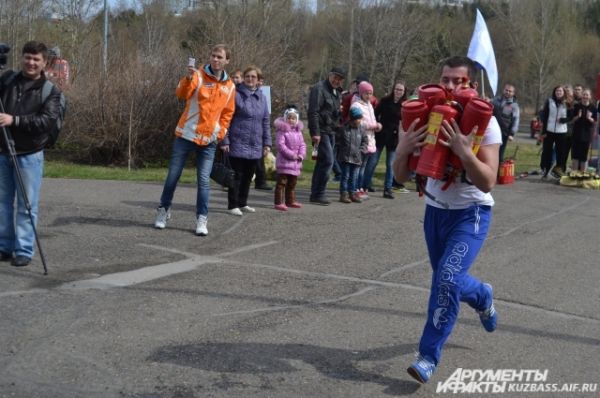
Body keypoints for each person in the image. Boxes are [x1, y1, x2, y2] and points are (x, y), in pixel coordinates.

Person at [392, 55, 501, 384]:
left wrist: (465, 151)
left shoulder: (486, 123)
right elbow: (400, 178)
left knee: (447, 279)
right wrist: (402, 149)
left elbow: (488, 181)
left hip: (472, 213)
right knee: (447, 279)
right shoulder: (422, 117)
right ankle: (482, 295)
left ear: (471, 84)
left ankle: (427, 356)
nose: (450, 86)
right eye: (446, 79)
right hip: (436, 212)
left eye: (458, 80)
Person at [154, 44, 235, 236]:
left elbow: (228, 112)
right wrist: (188, 78)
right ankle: (163, 211)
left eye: (219, 57)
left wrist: (221, 132)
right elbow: (181, 94)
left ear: (226, 61)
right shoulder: (198, 75)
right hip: (187, 134)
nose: (215, 59)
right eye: (213, 55)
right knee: (173, 176)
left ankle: (201, 218)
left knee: (204, 181)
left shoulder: (230, 86)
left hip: (209, 140)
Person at [0, 41, 62, 267]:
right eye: (27, 57)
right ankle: (4, 247)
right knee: (2, 203)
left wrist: (13, 120)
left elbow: (46, 122)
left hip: (29, 154)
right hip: (3, 150)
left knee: (27, 205)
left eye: (36, 59)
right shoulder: (7, 80)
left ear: (44, 62)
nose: (31, 62)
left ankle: (24, 249)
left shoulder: (50, 91)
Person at [221, 65, 271, 216]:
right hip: (237, 141)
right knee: (236, 176)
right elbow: (225, 118)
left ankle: (243, 203)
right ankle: (232, 205)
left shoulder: (262, 98)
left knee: (248, 176)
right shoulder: (235, 94)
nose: (250, 79)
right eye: (247, 76)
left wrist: (267, 143)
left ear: (258, 80)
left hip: (255, 144)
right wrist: (225, 140)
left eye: (253, 77)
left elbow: (266, 121)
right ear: (243, 78)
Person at [308, 66, 345, 205]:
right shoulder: (319, 89)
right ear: (329, 75)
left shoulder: (336, 92)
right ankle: (320, 193)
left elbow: (333, 112)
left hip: (331, 131)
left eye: (340, 79)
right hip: (321, 131)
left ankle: (315, 194)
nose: (337, 80)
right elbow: (313, 112)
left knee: (322, 162)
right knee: (328, 161)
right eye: (335, 77)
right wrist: (315, 133)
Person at [374, 81, 408, 199]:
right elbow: (375, 113)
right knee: (373, 161)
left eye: (401, 90)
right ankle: (364, 185)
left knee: (390, 164)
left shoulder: (405, 105)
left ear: (404, 92)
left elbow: (405, 122)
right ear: (393, 89)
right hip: (381, 134)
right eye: (397, 89)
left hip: (394, 138)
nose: (398, 92)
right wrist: (377, 124)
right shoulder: (384, 101)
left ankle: (387, 189)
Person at [350, 81, 382, 197]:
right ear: (361, 93)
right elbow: (358, 123)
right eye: (366, 93)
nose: (369, 96)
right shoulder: (356, 105)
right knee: (357, 166)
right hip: (360, 139)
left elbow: (372, 120)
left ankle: (360, 187)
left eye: (371, 93)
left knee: (363, 166)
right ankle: (354, 189)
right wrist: (373, 126)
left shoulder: (370, 105)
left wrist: (378, 125)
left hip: (370, 139)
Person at [273, 106, 306, 211]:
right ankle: (278, 202)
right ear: (285, 118)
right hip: (284, 162)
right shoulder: (282, 131)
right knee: (282, 183)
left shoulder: (298, 132)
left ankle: (290, 200)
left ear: (297, 119)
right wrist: (291, 155)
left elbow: (302, 145)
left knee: (292, 182)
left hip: (295, 163)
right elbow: (280, 145)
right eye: (289, 118)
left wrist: (301, 155)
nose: (291, 120)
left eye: (293, 118)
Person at [336, 107, 368, 203]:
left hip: (357, 157)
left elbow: (365, 141)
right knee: (345, 176)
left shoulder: (362, 129)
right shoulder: (344, 128)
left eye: (360, 118)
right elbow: (338, 141)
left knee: (354, 176)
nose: (359, 120)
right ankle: (343, 194)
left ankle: (352, 193)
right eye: (357, 118)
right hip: (345, 157)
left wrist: (362, 150)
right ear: (352, 119)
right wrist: (341, 150)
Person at [540, 85, 570, 179]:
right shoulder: (549, 101)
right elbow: (544, 116)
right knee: (547, 151)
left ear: (563, 93)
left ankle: (558, 171)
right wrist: (543, 131)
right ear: (554, 92)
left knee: (560, 153)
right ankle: (545, 169)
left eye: (560, 91)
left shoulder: (567, 103)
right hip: (549, 131)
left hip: (562, 132)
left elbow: (571, 117)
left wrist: (564, 120)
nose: (559, 92)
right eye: (557, 91)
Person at [570, 88, 598, 171]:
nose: (585, 96)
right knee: (575, 156)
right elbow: (571, 120)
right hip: (576, 134)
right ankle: (574, 175)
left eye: (587, 95)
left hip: (586, 135)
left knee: (584, 156)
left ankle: (582, 176)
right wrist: (577, 116)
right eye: (584, 94)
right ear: (582, 95)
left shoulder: (593, 107)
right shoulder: (576, 106)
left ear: (590, 96)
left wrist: (590, 118)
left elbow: (595, 122)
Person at [491, 83, 520, 163]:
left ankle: (497, 173)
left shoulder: (514, 105)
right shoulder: (495, 100)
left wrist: (512, 133)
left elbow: (516, 120)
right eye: (506, 90)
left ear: (513, 93)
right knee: (490, 151)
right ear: (503, 90)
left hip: (504, 132)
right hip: (492, 130)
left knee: (500, 153)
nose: (507, 92)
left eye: (510, 91)